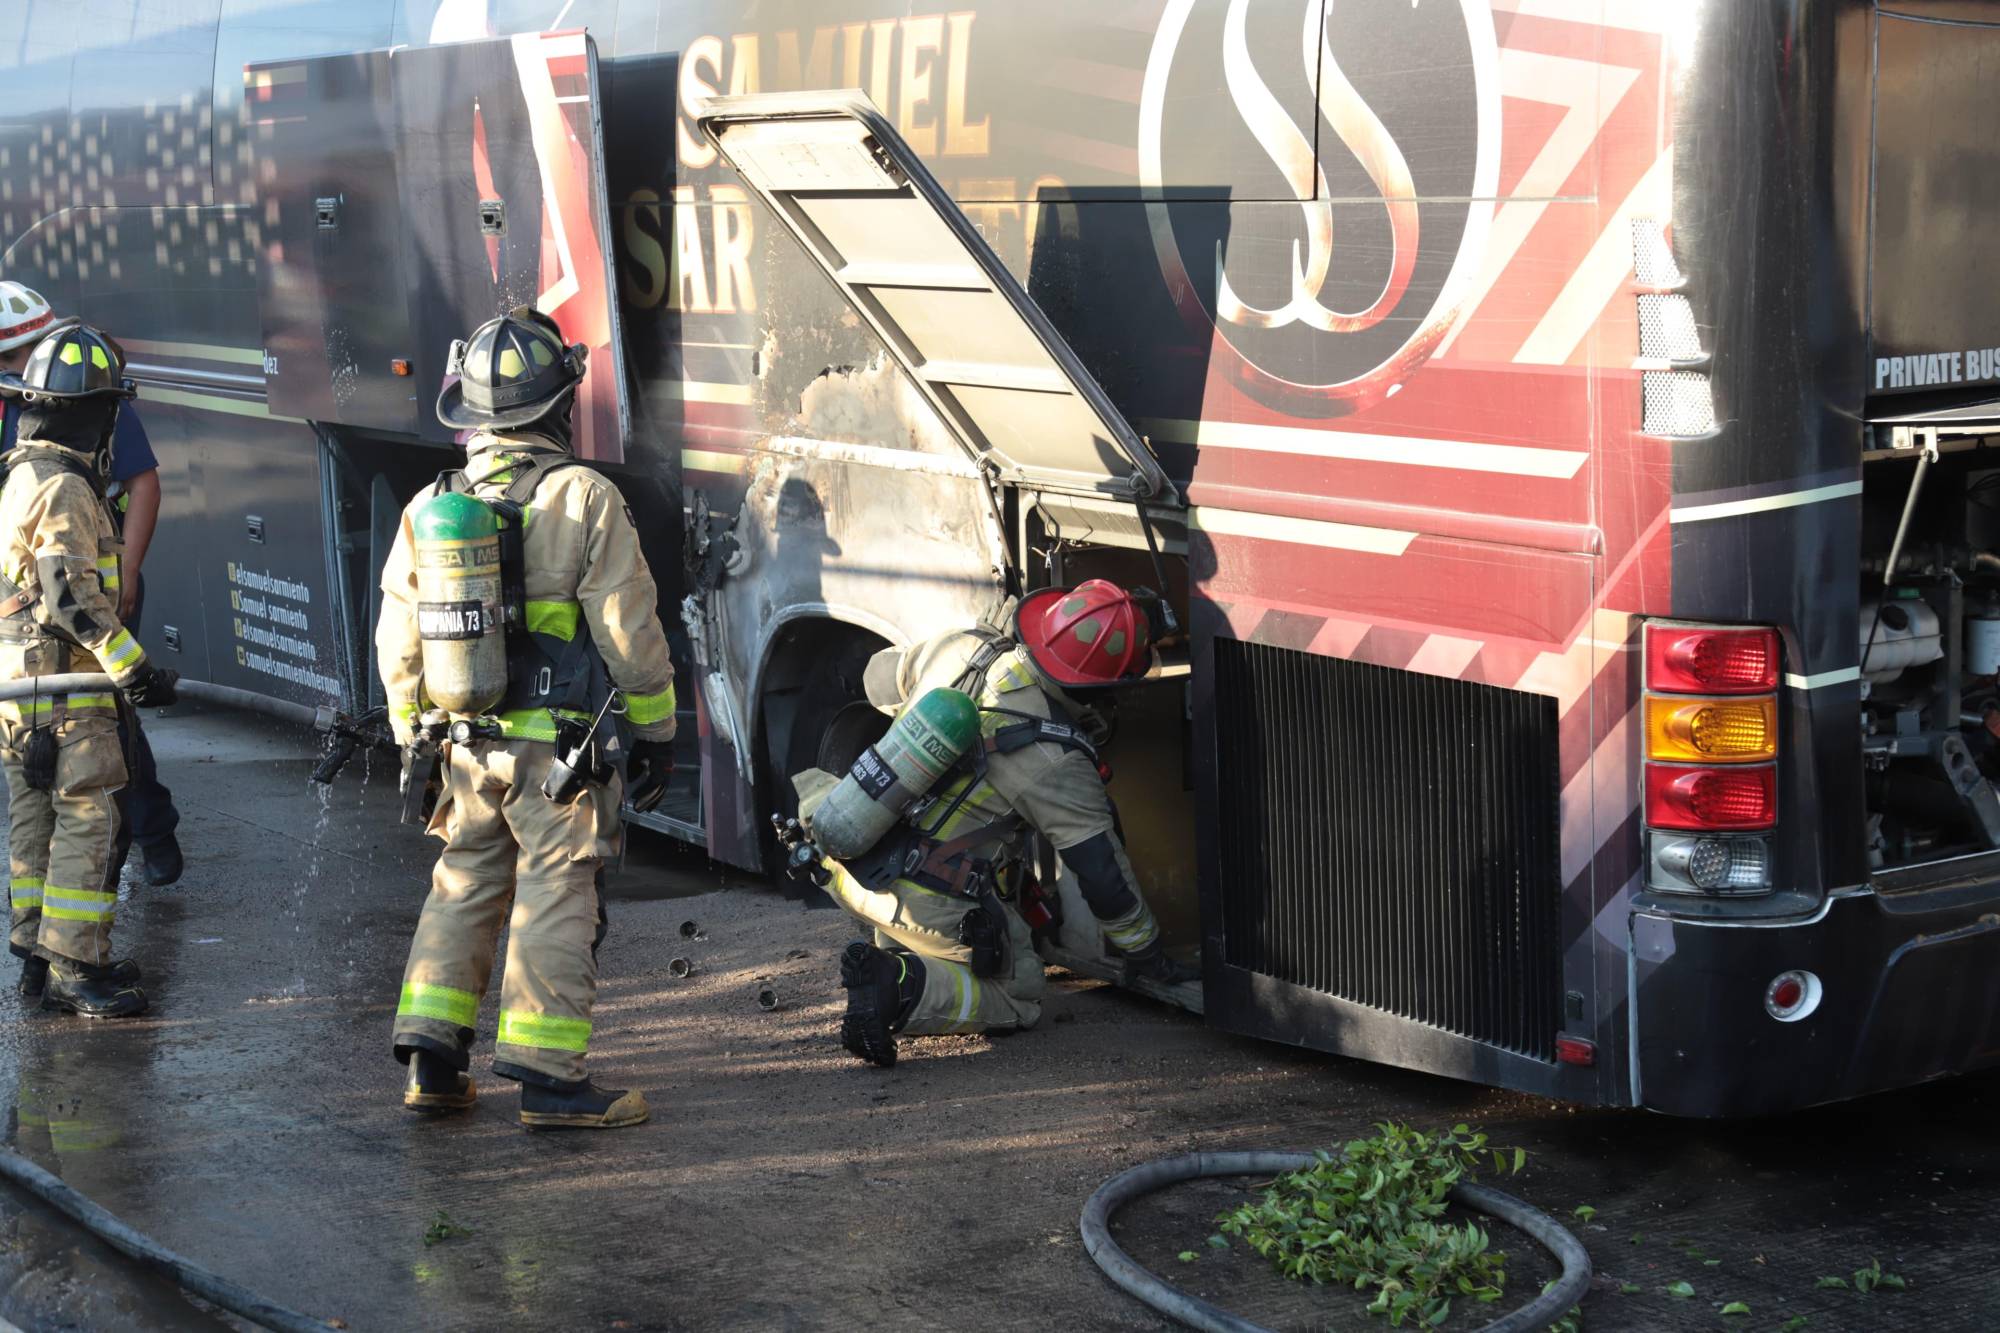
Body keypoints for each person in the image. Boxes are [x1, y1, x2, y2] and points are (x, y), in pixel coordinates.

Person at [376, 308, 677, 1129]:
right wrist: (657, 732)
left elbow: (398, 639)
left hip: (465, 746)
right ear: (559, 404)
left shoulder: (433, 503)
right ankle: (549, 1080)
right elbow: (628, 633)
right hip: (558, 758)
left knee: (464, 882)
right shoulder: (583, 496)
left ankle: (433, 1064)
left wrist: (413, 735)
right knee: (555, 891)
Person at [803, 578, 1199, 1068]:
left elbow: (877, 680)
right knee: (1020, 992)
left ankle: (900, 957)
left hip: (844, 854)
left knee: (960, 909)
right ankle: (895, 986)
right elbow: (1104, 877)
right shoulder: (1055, 760)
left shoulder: (964, 646)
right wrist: (1148, 954)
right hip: (919, 896)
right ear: (1101, 688)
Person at [0, 322, 178, 1016]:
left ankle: (35, 950)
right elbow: (71, 596)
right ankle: (78, 965)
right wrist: (134, 670)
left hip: (20, 685)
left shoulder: (18, 474)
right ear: (95, 413)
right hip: (68, 685)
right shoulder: (66, 485)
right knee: (90, 813)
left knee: (33, 812)